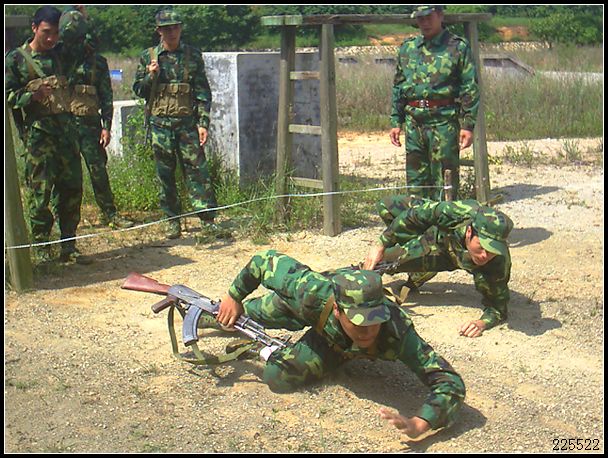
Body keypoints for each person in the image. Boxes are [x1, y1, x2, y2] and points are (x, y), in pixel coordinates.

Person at [216, 249, 466, 438]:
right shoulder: (311, 291)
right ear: (338, 310)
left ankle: (266, 349)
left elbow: (450, 382)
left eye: (374, 320)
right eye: (358, 322)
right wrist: (233, 296)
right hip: (307, 310)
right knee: (235, 316)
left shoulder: (396, 330)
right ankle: (206, 310)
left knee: (277, 377)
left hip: (333, 343)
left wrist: (420, 423)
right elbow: (263, 261)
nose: (367, 331)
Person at [132, 9, 227, 242]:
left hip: (186, 124)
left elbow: (203, 93)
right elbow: (139, 90)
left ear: (181, 28)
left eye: (175, 27)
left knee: (197, 171)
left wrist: (203, 123)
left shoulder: (192, 56)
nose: (172, 32)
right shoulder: (149, 56)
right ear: (159, 31)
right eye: (167, 28)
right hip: (160, 125)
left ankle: (207, 219)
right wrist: (150, 76)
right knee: (165, 173)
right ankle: (172, 220)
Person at [363, 195, 513, 338]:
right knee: (386, 205)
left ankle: (422, 263)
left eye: (492, 250)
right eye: (481, 246)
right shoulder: (457, 212)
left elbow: (498, 308)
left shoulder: (498, 261)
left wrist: (481, 323)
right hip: (437, 234)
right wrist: (381, 244)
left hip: (443, 255)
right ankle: (413, 245)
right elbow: (417, 215)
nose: (485, 256)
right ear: (469, 232)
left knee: (387, 261)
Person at [5, 6, 85, 263]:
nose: (51, 39)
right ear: (34, 28)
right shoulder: (17, 59)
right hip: (39, 140)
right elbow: (8, 95)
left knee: (71, 190)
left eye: (56, 33)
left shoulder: (62, 54)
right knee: (40, 194)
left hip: (67, 136)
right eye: (46, 32)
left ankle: (68, 245)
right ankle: (42, 247)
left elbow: (85, 40)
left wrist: (77, 14)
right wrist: (32, 96)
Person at [390, 5, 480, 201]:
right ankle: (420, 219)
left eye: (429, 17)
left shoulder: (457, 47)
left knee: (444, 183)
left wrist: (468, 125)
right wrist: (396, 121)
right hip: (414, 123)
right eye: (420, 18)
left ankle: (444, 220)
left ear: (440, 15)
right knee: (416, 184)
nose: (425, 23)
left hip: (443, 122)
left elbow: (469, 87)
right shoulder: (408, 48)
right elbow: (399, 86)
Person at [61, 8, 134, 230]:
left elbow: (106, 96)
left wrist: (106, 126)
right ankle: (61, 220)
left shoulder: (97, 63)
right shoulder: (59, 59)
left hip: (90, 125)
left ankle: (110, 213)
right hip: (64, 125)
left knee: (98, 171)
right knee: (65, 175)